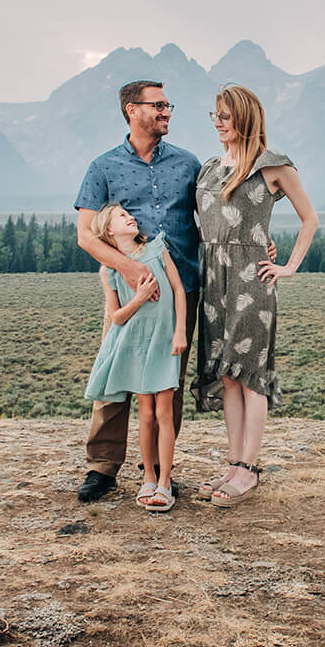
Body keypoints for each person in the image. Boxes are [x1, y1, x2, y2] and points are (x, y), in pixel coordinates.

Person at [74, 81, 201, 502]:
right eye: (159, 105)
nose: (167, 111)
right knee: (117, 372)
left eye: (169, 104)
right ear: (132, 109)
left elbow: (215, 218)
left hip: (178, 288)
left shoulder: (188, 164)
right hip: (127, 291)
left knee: (169, 383)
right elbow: (86, 236)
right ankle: (102, 467)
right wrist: (128, 270)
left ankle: (160, 471)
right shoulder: (103, 167)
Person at [191, 84, 318, 508]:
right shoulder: (209, 168)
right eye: (214, 116)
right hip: (213, 279)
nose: (218, 123)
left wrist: (288, 265)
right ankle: (233, 464)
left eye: (225, 116)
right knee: (227, 374)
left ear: (245, 117)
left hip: (251, 279)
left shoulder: (272, 165)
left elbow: (310, 219)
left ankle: (249, 470)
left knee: (250, 374)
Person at [82, 204, 188, 511]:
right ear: (108, 231)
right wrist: (140, 299)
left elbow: (179, 289)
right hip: (138, 346)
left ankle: (166, 482)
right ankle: (149, 478)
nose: (130, 217)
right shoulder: (109, 270)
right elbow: (116, 317)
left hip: (165, 340)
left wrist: (180, 330)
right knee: (145, 416)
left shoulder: (157, 249)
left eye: (129, 214)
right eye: (120, 216)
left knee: (164, 414)